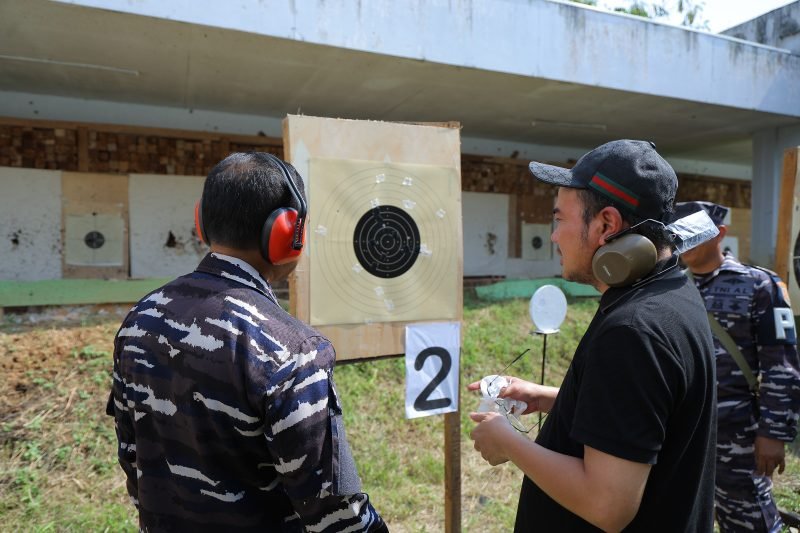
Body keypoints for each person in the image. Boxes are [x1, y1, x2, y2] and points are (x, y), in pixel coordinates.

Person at [107, 152, 387, 532]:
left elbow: (132, 457)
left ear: (202, 222)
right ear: (289, 233)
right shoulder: (292, 351)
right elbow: (332, 511)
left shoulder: (140, 321)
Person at [469, 140, 717, 532]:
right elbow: (650, 417)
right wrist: (555, 399)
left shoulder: (634, 331)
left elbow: (607, 505)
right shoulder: (670, 293)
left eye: (560, 220)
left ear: (606, 225)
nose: (554, 236)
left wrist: (508, 442)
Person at [674, 200, 800, 533]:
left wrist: (773, 432)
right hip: (683, 434)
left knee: (750, 521)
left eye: (694, 235)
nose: (685, 244)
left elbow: (781, 366)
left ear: (719, 234)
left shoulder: (759, 285)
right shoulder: (672, 287)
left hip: (739, 437)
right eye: (680, 235)